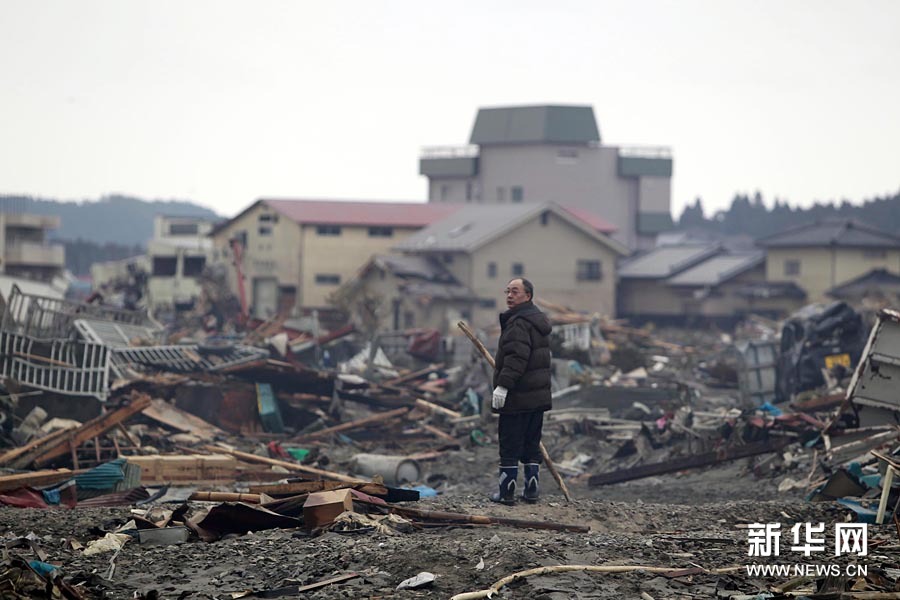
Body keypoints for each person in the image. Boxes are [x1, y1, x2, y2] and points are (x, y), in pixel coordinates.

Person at [489, 277, 552, 504]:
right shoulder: (537, 321)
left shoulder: (519, 323)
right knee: (531, 443)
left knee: (510, 442)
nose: (509, 295)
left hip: (518, 397)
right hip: (537, 396)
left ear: (528, 296)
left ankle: (506, 493)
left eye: (515, 292)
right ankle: (531, 491)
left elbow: (517, 358)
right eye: (507, 291)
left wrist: (503, 386)